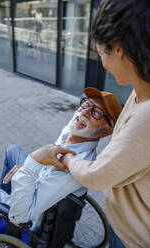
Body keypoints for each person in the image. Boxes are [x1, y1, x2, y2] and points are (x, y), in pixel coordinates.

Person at [31, 0, 150, 247]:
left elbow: (97, 175)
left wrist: (63, 158)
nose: (102, 63)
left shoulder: (147, 116)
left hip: (135, 239)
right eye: (85, 103)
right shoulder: (139, 93)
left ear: (119, 49)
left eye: (100, 53)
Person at [0, 91, 121, 232]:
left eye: (96, 112)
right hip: (36, 185)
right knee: (12, 151)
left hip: (23, 216)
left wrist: (30, 165)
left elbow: (20, 217)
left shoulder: (75, 166)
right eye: (86, 104)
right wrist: (30, 168)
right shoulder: (71, 132)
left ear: (106, 132)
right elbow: (45, 172)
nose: (85, 112)